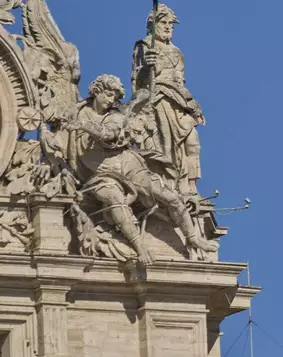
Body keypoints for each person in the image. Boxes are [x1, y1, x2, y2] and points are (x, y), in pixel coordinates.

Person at [65, 74, 218, 265]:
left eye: (115, 97)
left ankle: (193, 237)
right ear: (96, 91)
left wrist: (84, 126)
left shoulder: (115, 116)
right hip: (100, 174)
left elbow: (109, 133)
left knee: (170, 196)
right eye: (109, 94)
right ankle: (141, 248)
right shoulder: (76, 111)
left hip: (128, 165)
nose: (111, 100)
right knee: (115, 200)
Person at [132, 4, 205, 195]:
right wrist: (148, 66)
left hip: (179, 102)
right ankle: (169, 184)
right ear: (152, 24)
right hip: (159, 101)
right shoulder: (145, 46)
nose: (167, 27)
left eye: (170, 24)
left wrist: (192, 103)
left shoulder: (177, 52)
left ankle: (191, 187)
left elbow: (180, 82)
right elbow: (138, 82)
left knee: (192, 142)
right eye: (163, 22)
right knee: (166, 146)